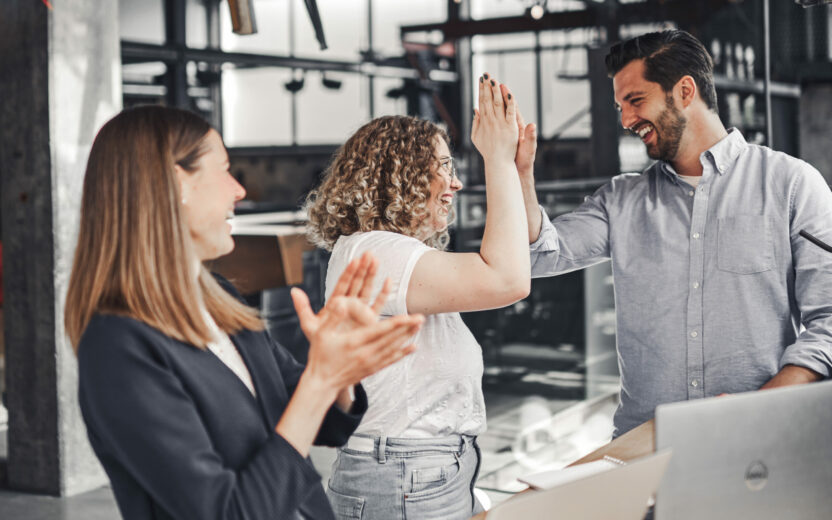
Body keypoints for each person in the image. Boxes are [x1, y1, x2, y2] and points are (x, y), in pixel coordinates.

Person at [66, 105, 425, 520]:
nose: (238, 190)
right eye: (224, 170)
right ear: (176, 182)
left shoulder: (216, 298)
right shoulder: (117, 347)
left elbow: (322, 420)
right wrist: (321, 377)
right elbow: (228, 512)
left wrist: (338, 371)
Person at [512, 29, 832, 437]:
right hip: (645, 446)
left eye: (635, 100)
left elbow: (829, 321)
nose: (626, 120)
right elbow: (538, 255)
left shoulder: (791, 185)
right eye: (620, 106)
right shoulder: (620, 200)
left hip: (759, 441)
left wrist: (762, 406)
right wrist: (519, 173)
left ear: (684, 91)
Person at [304, 74, 530, 519]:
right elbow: (508, 280)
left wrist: (517, 171)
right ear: (399, 173)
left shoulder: (388, 251)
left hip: (418, 471)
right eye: (444, 166)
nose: (455, 184)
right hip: (402, 474)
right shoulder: (376, 252)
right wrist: (497, 161)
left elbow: (509, 267)